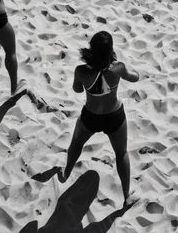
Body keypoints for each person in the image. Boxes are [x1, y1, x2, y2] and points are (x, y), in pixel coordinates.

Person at [59, 31, 140, 206]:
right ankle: (126, 196)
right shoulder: (118, 67)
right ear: (110, 50)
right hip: (114, 116)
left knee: (76, 143)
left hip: (91, 116)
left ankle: (66, 172)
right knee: (122, 153)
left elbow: (77, 90)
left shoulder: (81, 71)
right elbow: (135, 78)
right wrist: (131, 71)